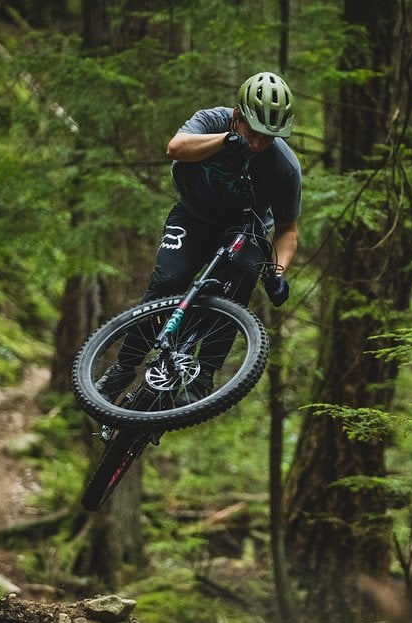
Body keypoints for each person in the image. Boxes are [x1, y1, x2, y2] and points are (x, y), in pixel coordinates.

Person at [95, 71, 301, 402]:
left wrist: (277, 274)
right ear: (237, 115)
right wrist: (225, 141)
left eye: (268, 137)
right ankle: (123, 369)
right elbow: (175, 148)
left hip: (243, 229)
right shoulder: (211, 121)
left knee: (243, 279)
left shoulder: (283, 166)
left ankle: (202, 377)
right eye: (253, 133)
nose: (258, 144)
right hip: (192, 217)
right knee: (168, 280)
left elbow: (288, 229)